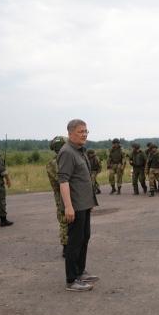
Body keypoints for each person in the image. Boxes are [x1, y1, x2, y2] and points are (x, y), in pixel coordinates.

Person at [57, 119, 99, 292]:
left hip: (84, 204)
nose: (84, 135)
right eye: (80, 131)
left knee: (84, 238)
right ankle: (71, 279)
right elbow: (63, 181)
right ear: (70, 133)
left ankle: (80, 272)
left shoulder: (80, 151)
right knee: (74, 242)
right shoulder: (67, 152)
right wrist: (68, 206)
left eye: (86, 131)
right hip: (75, 205)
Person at [46, 136, 68, 256]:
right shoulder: (64, 160)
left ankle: (66, 246)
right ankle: (69, 247)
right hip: (67, 194)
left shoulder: (51, 163)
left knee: (64, 220)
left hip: (59, 195)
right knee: (69, 220)